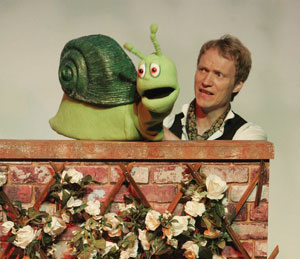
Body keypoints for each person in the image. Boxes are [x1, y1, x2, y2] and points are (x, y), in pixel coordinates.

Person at [163, 35, 267, 140]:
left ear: (237, 85)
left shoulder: (248, 134)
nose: (206, 81)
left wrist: (166, 138)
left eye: (219, 75)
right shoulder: (167, 124)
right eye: (203, 70)